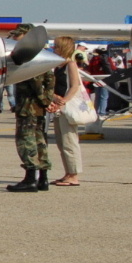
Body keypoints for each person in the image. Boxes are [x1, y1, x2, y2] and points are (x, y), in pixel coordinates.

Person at [6, 26, 54, 192]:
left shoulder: (31, 56)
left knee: (26, 141)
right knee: (40, 140)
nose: (14, 39)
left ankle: (30, 179)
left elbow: (37, 83)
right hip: (38, 106)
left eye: (18, 36)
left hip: (29, 105)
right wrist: (45, 102)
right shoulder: (42, 54)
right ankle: (43, 179)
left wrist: (42, 100)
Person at [48, 36, 85, 187]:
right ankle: (68, 172)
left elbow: (74, 85)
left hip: (66, 107)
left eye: (56, 46)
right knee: (61, 141)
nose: (53, 48)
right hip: (59, 107)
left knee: (69, 141)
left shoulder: (70, 64)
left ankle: (74, 175)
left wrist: (63, 101)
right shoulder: (58, 65)